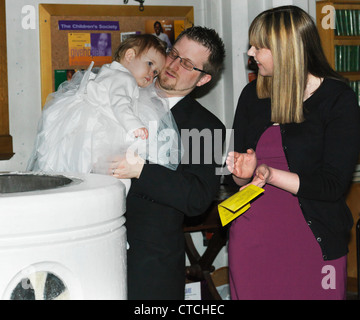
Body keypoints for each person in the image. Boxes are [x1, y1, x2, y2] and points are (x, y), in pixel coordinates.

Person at [225, 5, 360, 300]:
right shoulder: (252, 95)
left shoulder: (338, 99)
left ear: (286, 49)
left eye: (259, 47)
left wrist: (272, 174)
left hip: (313, 238)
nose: (250, 53)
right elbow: (236, 180)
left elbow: (333, 185)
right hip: (253, 236)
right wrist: (241, 174)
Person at [111, 26, 226, 299]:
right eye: (173, 54)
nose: (173, 65)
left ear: (203, 79)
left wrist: (142, 170)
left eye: (187, 64)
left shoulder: (207, 127)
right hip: (96, 243)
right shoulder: (123, 93)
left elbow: (198, 197)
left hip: (151, 264)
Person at [27, 34, 180, 175]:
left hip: (86, 128)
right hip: (98, 129)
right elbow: (120, 104)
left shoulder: (110, 71)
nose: (151, 74)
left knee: (81, 169)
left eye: (155, 73)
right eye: (149, 64)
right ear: (130, 55)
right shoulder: (124, 78)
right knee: (115, 180)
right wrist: (135, 126)